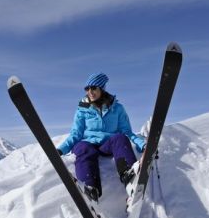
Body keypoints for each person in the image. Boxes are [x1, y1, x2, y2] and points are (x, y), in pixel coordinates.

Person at [57, 73, 145, 202]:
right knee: (82, 147)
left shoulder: (117, 108)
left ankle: (129, 177)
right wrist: (61, 149)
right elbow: (75, 133)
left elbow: (127, 132)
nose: (90, 92)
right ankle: (91, 188)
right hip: (88, 144)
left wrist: (142, 144)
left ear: (102, 88)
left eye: (93, 88)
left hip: (108, 144)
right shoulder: (82, 110)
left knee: (120, 137)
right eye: (87, 89)